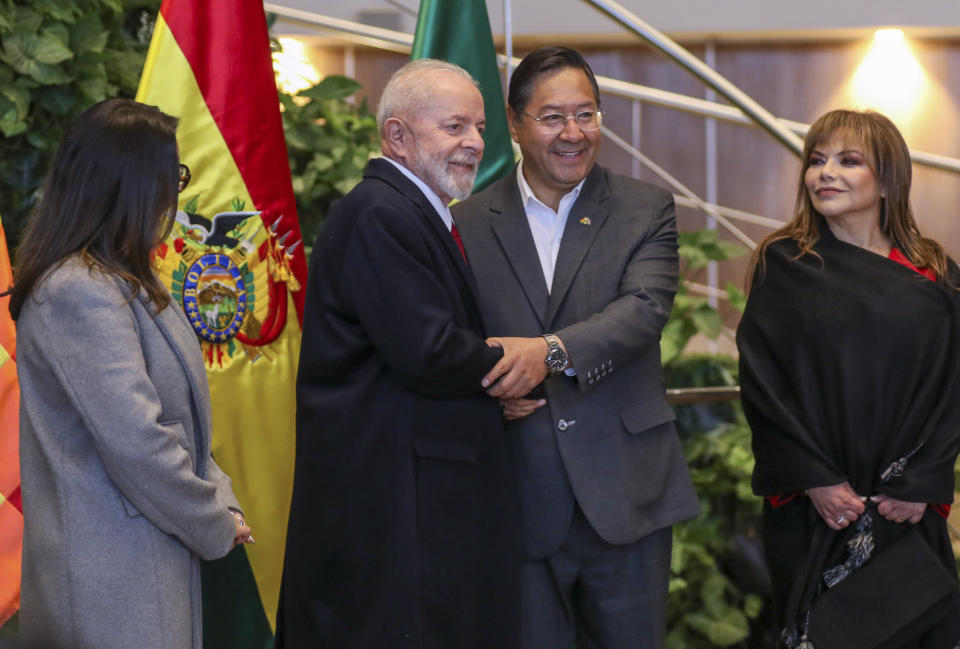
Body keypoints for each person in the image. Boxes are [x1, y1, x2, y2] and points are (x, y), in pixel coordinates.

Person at [275, 59, 529, 649]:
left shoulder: (411, 210)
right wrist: (516, 366)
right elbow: (428, 349)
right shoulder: (381, 213)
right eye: (455, 127)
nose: (474, 144)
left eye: (480, 127)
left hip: (407, 494)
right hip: (391, 504)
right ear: (397, 136)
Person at [454, 46, 700, 649]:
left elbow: (643, 312)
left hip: (627, 490)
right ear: (514, 124)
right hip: (516, 493)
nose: (573, 133)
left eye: (586, 115)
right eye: (552, 117)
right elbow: (454, 339)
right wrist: (487, 389)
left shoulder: (645, 209)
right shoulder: (466, 220)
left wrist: (548, 354)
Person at [11, 98, 252, 649]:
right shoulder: (77, 290)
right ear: (132, 183)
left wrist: (221, 497)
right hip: (109, 578)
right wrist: (213, 518)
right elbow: (138, 441)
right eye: (173, 176)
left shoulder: (125, 280)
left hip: (142, 557)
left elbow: (182, 421)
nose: (176, 193)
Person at [737, 109, 960, 648]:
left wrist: (922, 482)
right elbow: (764, 387)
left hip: (905, 506)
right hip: (816, 506)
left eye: (847, 161)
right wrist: (815, 478)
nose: (825, 173)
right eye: (817, 161)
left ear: (886, 181)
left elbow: (955, 389)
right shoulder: (783, 263)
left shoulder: (936, 273)